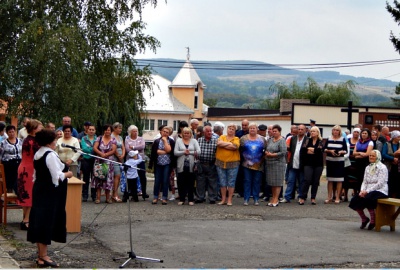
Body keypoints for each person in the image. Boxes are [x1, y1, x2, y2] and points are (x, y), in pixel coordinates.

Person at [27, 129, 73, 268]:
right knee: (45, 222)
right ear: (49, 141)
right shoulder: (50, 155)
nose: (55, 141)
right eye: (54, 139)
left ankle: (41, 256)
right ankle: (44, 256)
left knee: (40, 221)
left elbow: (35, 175)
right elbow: (57, 177)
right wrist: (68, 174)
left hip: (40, 189)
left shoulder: (38, 153)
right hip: (49, 192)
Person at [349, 150, 388, 231]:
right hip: (367, 190)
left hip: (380, 190)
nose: (371, 157)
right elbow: (364, 181)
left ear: (377, 157)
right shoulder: (368, 167)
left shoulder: (382, 167)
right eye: (370, 155)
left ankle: (373, 221)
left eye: (373, 156)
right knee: (355, 199)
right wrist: (362, 190)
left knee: (368, 198)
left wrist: (367, 191)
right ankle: (364, 219)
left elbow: (380, 183)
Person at [17, 119, 43, 230]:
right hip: (29, 169)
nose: (41, 128)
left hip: (24, 167)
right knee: (30, 194)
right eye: (40, 127)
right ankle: (26, 220)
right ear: (34, 129)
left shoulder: (28, 139)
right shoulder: (33, 141)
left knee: (26, 193)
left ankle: (25, 218)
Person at [240, 122, 267, 206]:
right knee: (247, 181)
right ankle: (246, 198)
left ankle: (256, 199)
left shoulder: (262, 139)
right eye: (251, 128)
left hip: (259, 164)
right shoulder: (243, 138)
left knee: (257, 181)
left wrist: (262, 159)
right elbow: (240, 150)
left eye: (254, 128)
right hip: (246, 164)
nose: (252, 129)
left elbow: (265, 151)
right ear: (248, 129)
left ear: (257, 129)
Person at [149, 126, 175, 205]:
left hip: (167, 164)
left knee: (165, 181)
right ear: (161, 132)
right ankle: (155, 197)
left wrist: (164, 142)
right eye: (164, 131)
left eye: (167, 132)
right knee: (157, 181)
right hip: (158, 163)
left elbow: (170, 151)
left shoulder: (171, 141)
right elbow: (155, 152)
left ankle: (164, 198)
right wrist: (165, 151)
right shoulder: (156, 141)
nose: (165, 133)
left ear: (169, 134)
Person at [174, 127, 200, 205]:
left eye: (188, 133)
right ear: (182, 134)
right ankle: (182, 199)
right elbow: (175, 152)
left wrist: (189, 152)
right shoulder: (178, 141)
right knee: (181, 182)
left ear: (190, 134)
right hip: (181, 165)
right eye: (185, 133)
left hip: (191, 165)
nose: (186, 134)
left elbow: (199, 152)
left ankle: (190, 199)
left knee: (191, 183)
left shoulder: (194, 141)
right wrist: (183, 152)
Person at [215, 123, 240, 206]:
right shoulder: (221, 137)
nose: (231, 130)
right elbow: (218, 143)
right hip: (220, 162)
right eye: (229, 128)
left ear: (235, 131)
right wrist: (229, 144)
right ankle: (223, 199)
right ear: (227, 129)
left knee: (231, 182)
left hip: (233, 163)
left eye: (233, 129)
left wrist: (224, 144)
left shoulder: (236, 138)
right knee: (222, 182)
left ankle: (229, 200)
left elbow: (235, 147)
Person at [281, 124, 307, 204]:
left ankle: (301, 197)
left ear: (305, 130)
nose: (300, 131)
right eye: (299, 129)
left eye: (302, 129)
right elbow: (289, 149)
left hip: (302, 165)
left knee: (302, 182)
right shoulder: (293, 139)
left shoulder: (307, 140)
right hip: (292, 163)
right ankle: (287, 197)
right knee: (290, 181)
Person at [299, 126, 324, 205]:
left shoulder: (320, 141)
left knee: (315, 181)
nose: (312, 133)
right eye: (311, 131)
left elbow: (319, 152)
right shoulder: (307, 140)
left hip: (318, 164)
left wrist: (311, 150)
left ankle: (313, 197)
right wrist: (311, 150)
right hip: (308, 163)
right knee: (307, 180)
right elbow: (303, 151)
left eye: (314, 131)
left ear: (317, 133)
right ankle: (303, 197)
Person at [92, 124, 117, 204]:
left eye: (109, 130)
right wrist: (101, 154)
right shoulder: (99, 138)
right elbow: (95, 148)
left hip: (109, 162)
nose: (107, 131)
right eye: (106, 130)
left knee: (108, 180)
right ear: (104, 131)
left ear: (111, 131)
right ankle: (98, 198)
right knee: (99, 180)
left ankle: (107, 198)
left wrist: (106, 154)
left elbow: (113, 150)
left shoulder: (113, 139)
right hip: (99, 161)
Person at [324, 125, 348, 204]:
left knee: (339, 180)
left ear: (339, 132)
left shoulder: (342, 139)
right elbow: (324, 149)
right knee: (330, 179)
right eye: (334, 130)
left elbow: (345, 150)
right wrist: (330, 151)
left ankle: (337, 197)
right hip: (330, 161)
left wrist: (341, 152)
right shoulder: (329, 138)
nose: (335, 131)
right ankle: (329, 197)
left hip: (339, 161)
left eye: (337, 130)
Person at [265, 124, 287, 207]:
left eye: (276, 131)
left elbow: (283, 152)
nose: (274, 132)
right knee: (272, 182)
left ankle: (276, 199)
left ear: (279, 132)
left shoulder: (282, 140)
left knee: (277, 183)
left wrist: (273, 155)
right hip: (270, 163)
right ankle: (273, 197)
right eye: (273, 131)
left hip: (278, 163)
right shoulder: (270, 140)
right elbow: (267, 148)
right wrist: (267, 153)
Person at [125, 125, 149, 200]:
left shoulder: (141, 138)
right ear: (130, 132)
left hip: (140, 160)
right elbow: (127, 149)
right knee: (131, 177)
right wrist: (136, 150)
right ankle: (132, 192)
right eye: (133, 131)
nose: (135, 133)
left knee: (142, 176)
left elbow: (142, 146)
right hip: (131, 161)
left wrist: (134, 147)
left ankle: (144, 192)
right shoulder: (127, 139)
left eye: (136, 131)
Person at [196, 125, 218, 204]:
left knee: (212, 182)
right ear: (204, 132)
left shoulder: (216, 140)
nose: (209, 132)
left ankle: (212, 198)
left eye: (210, 131)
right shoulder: (199, 140)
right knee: (200, 181)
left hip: (211, 164)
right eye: (207, 131)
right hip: (201, 163)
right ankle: (200, 197)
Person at [0, 125, 23, 193]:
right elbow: (1, 154)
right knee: (10, 180)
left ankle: (18, 195)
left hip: (19, 162)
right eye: (10, 132)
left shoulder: (20, 141)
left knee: (19, 179)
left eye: (13, 132)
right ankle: (9, 194)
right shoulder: (3, 143)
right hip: (8, 164)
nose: (12, 133)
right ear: (7, 133)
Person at [353, 128, 374, 194]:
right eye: (363, 133)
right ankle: (358, 192)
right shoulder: (358, 142)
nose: (364, 135)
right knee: (358, 178)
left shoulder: (370, 142)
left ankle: (364, 192)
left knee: (364, 178)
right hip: (358, 163)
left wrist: (358, 155)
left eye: (365, 133)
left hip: (365, 163)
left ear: (368, 135)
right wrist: (360, 153)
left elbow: (367, 154)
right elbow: (354, 153)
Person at [80, 124, 97, 202]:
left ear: (95, 131)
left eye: (93, 130)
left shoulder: (97, 139)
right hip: (86, 160)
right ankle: (85, 195)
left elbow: (97, 148)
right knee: (86, 178)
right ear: (87, 130)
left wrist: (92, 150)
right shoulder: (83, 138)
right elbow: (84, 148)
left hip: (95, 160)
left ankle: (94, 195)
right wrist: (93, 149)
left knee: (94, 178)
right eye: (90, 129)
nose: (91, 131)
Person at [343, 128, 361, 202]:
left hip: (356, 162)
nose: (356, 133)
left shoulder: (360, 141)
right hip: (348, 162)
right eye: (355, 132)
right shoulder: (348, 140)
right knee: (346, 179)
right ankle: (345, 196)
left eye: (357, 132)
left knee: (355, 179)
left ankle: (355, 195)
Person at [382, 130, 400, 198]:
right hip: (389, 166)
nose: (399, 138)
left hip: (398, 166)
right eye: (398, 137)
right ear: (394, 137)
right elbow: (383, 154)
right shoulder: (387, 144)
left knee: (398, 182)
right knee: (390, 181)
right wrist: (393, 158)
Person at [111, 122, 125, 202]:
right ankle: (114, 194)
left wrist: (122, 155)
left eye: (121, 128)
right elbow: (114, 148)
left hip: (120, 158)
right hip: (114, 158)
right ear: (115, 128)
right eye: (119, 128)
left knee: (118, 176)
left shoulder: (120, 137)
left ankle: (115, 193)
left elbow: (123, 147)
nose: (120, 130)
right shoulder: (111, 136)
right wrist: (118, 156)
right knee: (116, 175)